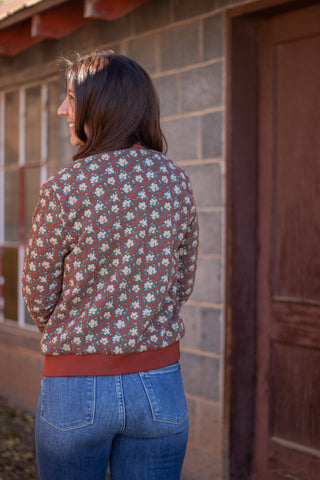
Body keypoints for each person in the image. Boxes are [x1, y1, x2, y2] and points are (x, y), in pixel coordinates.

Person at [22, 51, 199, 480]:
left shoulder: (65, 187)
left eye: (69, 97)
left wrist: (82, 330)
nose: (62, 108)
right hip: (159, 386)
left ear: (101, 104)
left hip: (74, 388)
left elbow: (37, 294)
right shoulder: (174, 180)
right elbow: (182, 281)